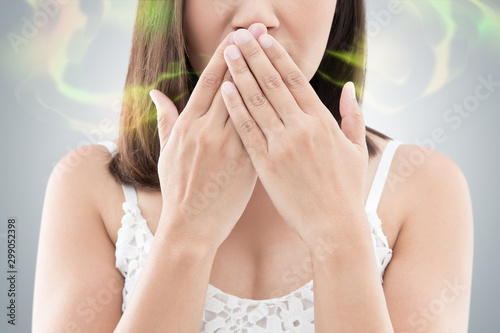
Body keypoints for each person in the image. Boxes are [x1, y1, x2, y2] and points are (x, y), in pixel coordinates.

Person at [32, 0, 473, 332]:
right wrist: (187, 234)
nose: (258, 17)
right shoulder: (86, 185)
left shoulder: (425, 187)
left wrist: (337, 233)